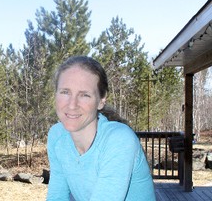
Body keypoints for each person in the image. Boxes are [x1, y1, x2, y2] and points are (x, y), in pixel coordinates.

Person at [47, 56, 156, 201]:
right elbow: (56, 196)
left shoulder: (119, 140)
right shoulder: (57, 136)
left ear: (101, 100)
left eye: (84, 95)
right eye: (65, 92)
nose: (72, 105)